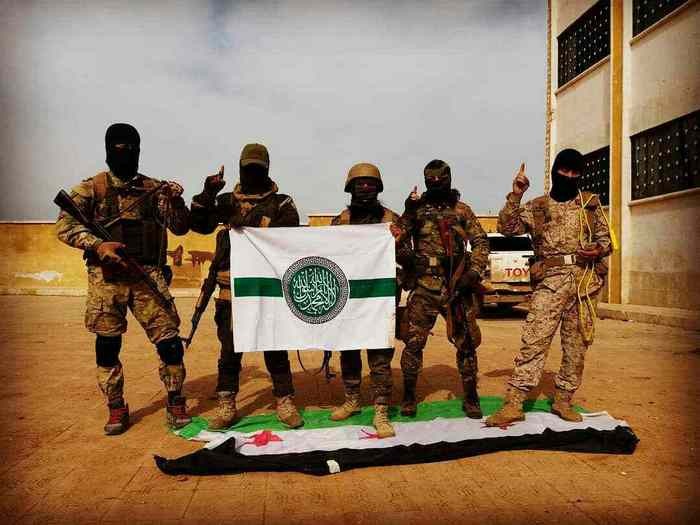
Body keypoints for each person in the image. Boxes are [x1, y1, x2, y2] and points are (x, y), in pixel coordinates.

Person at [56, 123, 191, 435]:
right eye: (119, 149)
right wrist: (97, 245)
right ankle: (116, 405)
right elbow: (64, 226)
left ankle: (175, 399)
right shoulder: (92, 189)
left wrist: (176, 201)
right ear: (108, 151)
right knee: (107, 344)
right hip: (107, 280)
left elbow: (180, 227)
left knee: (170, 343)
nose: (126, 154)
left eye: (131, 149)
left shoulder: (152, 189)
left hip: (146, 275)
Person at [486, 150, 612, 427]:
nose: (569, 176)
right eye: (564, 171)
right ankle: (514, 403)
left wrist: (597, 249)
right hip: (551, 282)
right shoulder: (538, 206)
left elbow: (607, 241)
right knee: (535, 340)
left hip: (584, 284)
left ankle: (563, 399)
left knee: (576, 346)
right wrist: (516, 195)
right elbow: (507, 228)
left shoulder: (590, 204)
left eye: (575, 173)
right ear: (556, 171)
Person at [189, 143, 303, 429]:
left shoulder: (282, 203)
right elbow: (199, 224)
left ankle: (284, 400)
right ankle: (227, 403)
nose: (252, 173)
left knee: (275, 348)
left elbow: (288, 235)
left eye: (257, 169)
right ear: (240, 168)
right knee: (230, 351)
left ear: (267, 169)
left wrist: (250, 223)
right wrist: (208, 193)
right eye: (248, 168)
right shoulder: (226, 201)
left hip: (267, 290)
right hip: (231, 291)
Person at [399, 159, 489, 418]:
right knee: (413, 342)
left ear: (449, 179)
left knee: (466, 344)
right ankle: (408, 395)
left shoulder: (462, 210)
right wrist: (408, 257)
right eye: (432, 181)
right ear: (426, 182)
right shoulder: (416, 211)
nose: (437, 184)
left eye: (441, 180)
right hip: (424, 286)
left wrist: (473, 273)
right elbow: (396, 237)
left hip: (455, 287)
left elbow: (481, 242)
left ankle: (471, 396)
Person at [328, 162, 406, 438]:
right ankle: (352, 399)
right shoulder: (341, 221)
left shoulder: (392, 221)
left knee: (380, 356)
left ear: (378, 188)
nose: (364, 188)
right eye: (359, 184)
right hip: (348, 299)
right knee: (349, 352)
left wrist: (399, 242)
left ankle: (381, 409)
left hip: (379, 298)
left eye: (370, 184)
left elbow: (409, 258)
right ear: (350, 188)